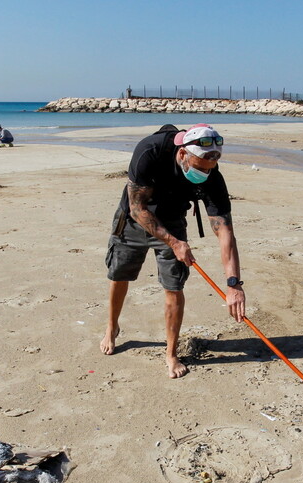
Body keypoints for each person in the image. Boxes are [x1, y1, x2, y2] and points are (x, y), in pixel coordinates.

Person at [100, 124, 245, 379]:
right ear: (181, 154)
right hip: (134, 219)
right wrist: (175, 243)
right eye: (199, 166)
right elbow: (137, 208)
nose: (203, 172)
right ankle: (112, 327)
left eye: (209, 168)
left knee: (174, 287)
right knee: (119, 275)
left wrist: (233, 284)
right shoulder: (150, 151)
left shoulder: (213, 178)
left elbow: (225, 232)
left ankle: (171, 353)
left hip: (173, 220)